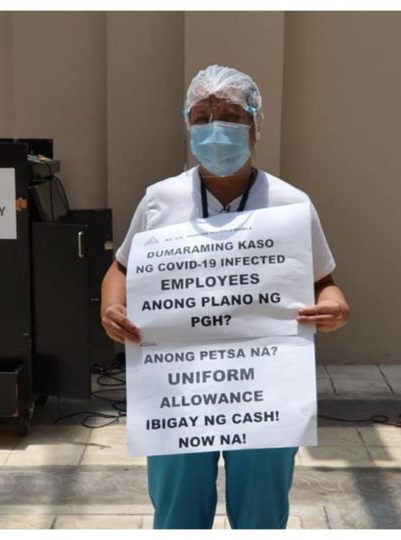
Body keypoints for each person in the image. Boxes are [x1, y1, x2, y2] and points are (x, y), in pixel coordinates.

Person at [100, 64, 350, 529]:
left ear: (256, 127)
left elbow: (323, 280)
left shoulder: (291, 203)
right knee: (177, 506)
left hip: (264, 387)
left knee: (261, 508)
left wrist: (335, 305)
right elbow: (121, 268)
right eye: (201, 116)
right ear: (187, 126)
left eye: (231, 116)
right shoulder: (161, 200)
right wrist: (111, 307)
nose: (216, 128)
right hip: (179, 389)